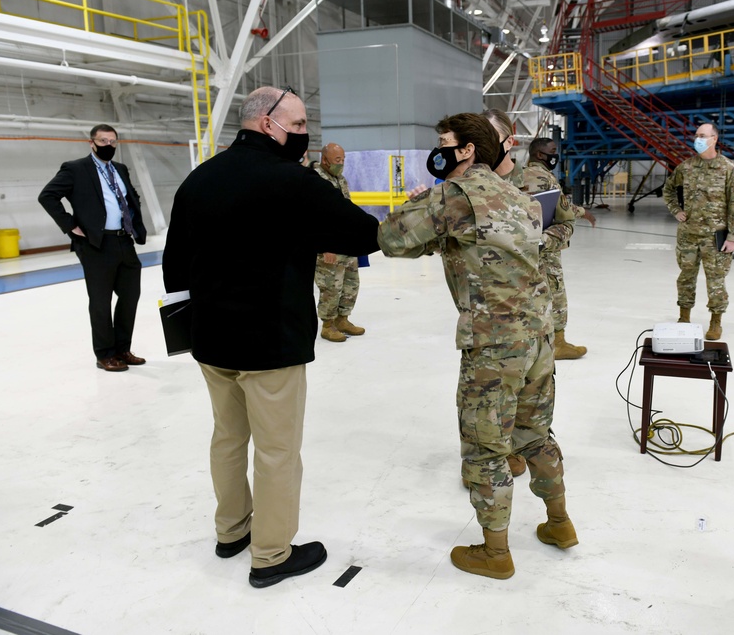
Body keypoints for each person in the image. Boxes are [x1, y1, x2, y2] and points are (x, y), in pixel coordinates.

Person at [162, 86, 380, 589]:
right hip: (271, 343)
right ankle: (271, 554)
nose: (305, 134)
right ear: (267, 124)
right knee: (277, 450)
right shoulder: (292, 182)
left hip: (211, 340)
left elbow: (175, 268)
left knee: (227, 437)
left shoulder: (198, 179)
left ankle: (231, 531)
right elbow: (363, 233)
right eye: (299, 124)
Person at [378, 113, 577, 580]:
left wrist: (421, 205)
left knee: (486, 449)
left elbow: (390, 239)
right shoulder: (519, 194)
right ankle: (560, 524)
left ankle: (495, 554)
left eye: (445, 142)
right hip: (538, 340)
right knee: (536, 435)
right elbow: (450, 241)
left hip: (493, 346)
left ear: (466, 150)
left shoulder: (457, 195)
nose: (440, 150)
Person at [39, 124, 147, 372]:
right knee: (100, 302)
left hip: (124, 241)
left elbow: (130, 197)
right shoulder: (76, 169)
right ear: (91, 143)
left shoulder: (119, 169)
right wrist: (70, 226)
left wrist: (134, 218)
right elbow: (47, 196)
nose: (108, 146)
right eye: (103, 141)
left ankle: (122, 349)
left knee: (130, 297)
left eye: (112, 142)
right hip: (96, 244)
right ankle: (105, 354)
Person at [662, 121, 734, 341]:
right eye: (696, 135)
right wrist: (676, 211)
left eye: (702, 135)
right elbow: (668, 190)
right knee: (686, 277)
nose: (697, 139)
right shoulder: (686, 167)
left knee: (716, 280)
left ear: (714, 139)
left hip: (715, 237)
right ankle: (684, 317)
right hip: (688, 234)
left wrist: (733, 237)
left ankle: (716, 321)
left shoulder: (728, 169)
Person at [523, 136, 596, 360]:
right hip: (547, 244)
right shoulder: (546, 178)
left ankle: (533, 343)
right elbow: (563, 208)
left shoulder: (518, 175)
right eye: (553, 151)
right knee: (555, 293)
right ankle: (559, 344)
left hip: (524, 244)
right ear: (540, 155)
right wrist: (584, 212)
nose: (556, 155)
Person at [306, 143, 365, 343]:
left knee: (351, 283)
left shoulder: (340, 179)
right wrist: (324, 246)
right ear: (325, 160)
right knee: (331, 286)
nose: (341, 164)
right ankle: (328, 325)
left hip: (346, 243)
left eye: (343, 160)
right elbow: (313, 218)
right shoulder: (314, 180)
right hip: (328, 247)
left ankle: (342, 319)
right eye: (337, 160)